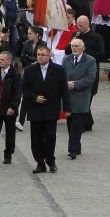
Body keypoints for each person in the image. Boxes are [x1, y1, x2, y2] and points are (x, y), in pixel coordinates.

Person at [21, 45, 67, 173]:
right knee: (36, 138)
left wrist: (67, 108)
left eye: (42, 55)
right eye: (38, 55)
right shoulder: (30, 70)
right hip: (35, 109)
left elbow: (64, 90)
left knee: (50, 136)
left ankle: (51, 161)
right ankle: (40, 163)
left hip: (51, 108)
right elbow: (24, 88)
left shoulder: (58, 70)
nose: (40, 57)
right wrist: (34, 97)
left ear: (49, 56)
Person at [63, 38, 97, 159]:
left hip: (81, 97)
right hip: (68, 97)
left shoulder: (90, 61)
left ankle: (72, 150)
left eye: (77, 46)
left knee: (76, 126)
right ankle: (76, 147)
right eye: (72, 46)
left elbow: (90, 78)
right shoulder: (66, 59)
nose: (74, 48)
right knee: (70, 123)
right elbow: (62, 75)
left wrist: (75, 84)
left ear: (83, 48)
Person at [0, 50, 22, 165]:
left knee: (10, 133)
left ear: (9, 61)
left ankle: (8, 154)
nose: (0, 61)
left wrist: (13, 107)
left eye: (2, 59)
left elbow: (18, 93)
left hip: (9, 109)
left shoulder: (15, 74)